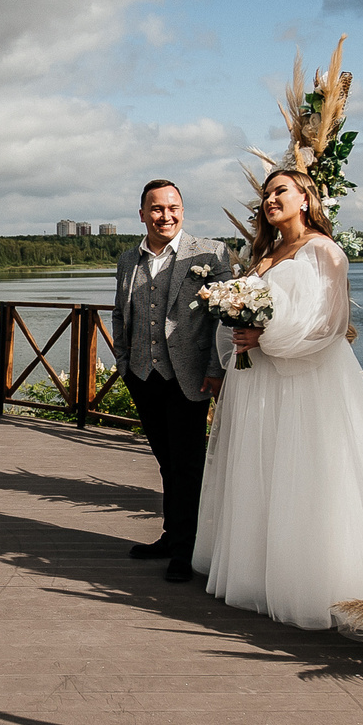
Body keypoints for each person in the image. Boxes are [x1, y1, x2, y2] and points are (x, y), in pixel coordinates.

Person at [193, 169, 363, 626]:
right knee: (263, 470)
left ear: (305, 199)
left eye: (281, 191)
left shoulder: (325, 251)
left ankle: (313, 583)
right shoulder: (267, 253)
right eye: (266, 194)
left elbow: (328, 324)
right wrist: (239, 326)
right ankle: (258, 573)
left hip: (304, 378)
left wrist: (264, 336)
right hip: (260, 380)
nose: (271, 199)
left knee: (306, 472)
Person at [111, 181, 234, 582]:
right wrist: (125, 362)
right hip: (143, 376)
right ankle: (172, 534)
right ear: (142, 213)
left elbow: (224, 318)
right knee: (167, 462)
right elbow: (120, 313)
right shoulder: (129, 258)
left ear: (183, 209)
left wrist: (216, 370)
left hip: (190, 377)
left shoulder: (210, 252)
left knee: (188, 464)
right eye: (157, 208)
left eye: (173, 207)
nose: (166, 215)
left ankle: (186, 549)